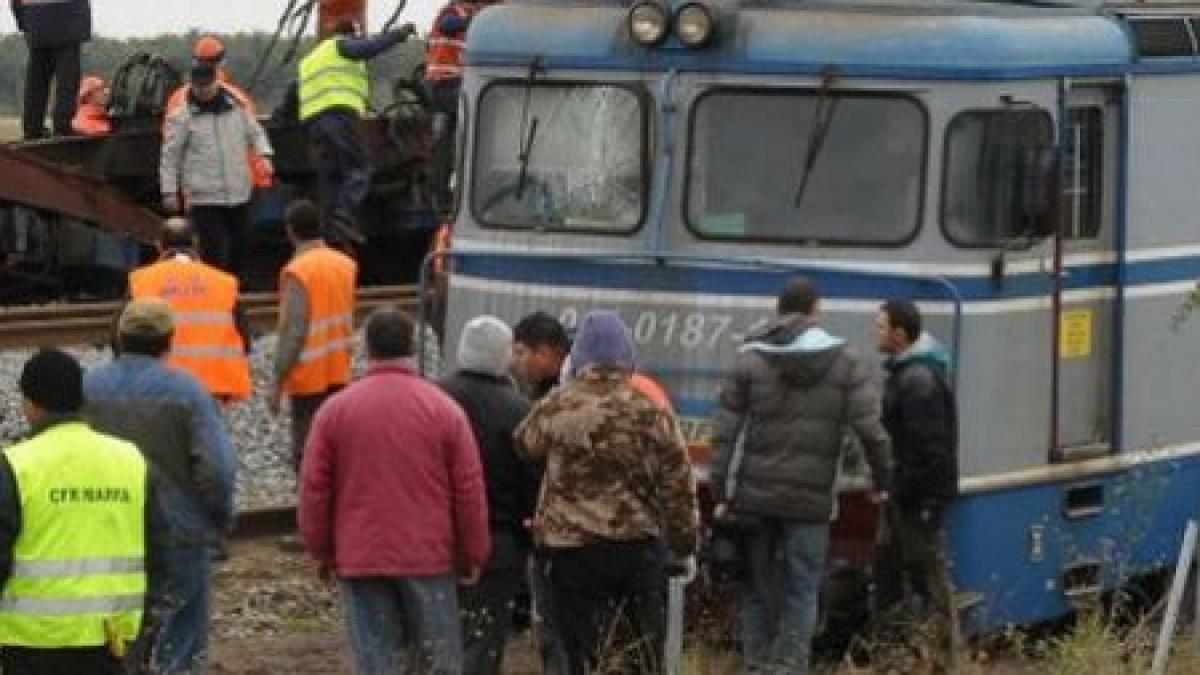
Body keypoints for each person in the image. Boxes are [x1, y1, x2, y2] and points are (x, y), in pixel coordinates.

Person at [709, 278, 892, 674]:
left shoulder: (750, 359)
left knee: (758, 588)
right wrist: (881, 480)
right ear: (815, 310)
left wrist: (721, 489)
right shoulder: (844, 361)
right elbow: (871, 431)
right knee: (802, 589)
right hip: (810, 502)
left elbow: (724, 432)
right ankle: (790, 667)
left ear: (779, 310)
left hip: (754, 497)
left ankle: (756, 666)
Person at [299, 309, 490, 675]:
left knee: (378, 662)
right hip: (429, 556)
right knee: (438, 662)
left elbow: (314, 489)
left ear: (367, 348)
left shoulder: (334, 411)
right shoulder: (444, 410)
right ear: (412, 347)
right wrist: (472, 550)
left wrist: (320, 549)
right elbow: (468, 489)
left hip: (360, 555)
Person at [516, 310, 699, 675]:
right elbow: (678, 483)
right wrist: (683, 545)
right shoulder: (651, 411)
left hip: (570, 554)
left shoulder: (555, 406)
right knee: (641, 654)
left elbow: (524, 445)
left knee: (578, 654)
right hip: (636, 550)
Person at [83, 298, 238, 674]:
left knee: (119, 634)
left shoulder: (86, 387)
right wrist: (220, 520)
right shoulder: (188, 392)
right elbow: (217, 470)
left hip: (107, 526)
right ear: (170, 338)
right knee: (179, 640)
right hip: (180, 529)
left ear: (119, 336)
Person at [0, 348, 164, 675]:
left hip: (34, 641)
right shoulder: (130, 459)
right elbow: (159, 552)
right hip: (113, 639)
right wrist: (145, 627)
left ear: (31, 404)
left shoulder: (16, 465)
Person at [437, 316, 539, 675]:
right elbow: (531, 482)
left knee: (437, 632)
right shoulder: (519, 410)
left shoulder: (433, 398)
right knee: (484, 635)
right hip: (500, 540)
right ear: (504, 355)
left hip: (435, 538)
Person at [874, 299, 959, 662]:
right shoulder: (907, 374)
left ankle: (943, 660)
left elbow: (931, 451)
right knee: (889, 568)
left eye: (880, 326)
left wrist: (914, 495)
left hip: (918, 498)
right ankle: (894, 653)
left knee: (928, 578)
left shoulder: (917, 381)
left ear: (900, 334)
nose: (874, 332)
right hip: (905, 494)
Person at [298, 18, 418, 244]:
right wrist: (398, 35)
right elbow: (367, 48)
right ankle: (344, 215)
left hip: (314, 125)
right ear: (351, 34)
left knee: (331, 179)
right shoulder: (341, 46)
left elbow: (294, 92)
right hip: (337, 117)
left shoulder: (310, 60)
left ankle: (329, 233)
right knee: (359, 168)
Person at [160, 60, 274, 277]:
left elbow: (256, 133)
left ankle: (234, 286)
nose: (203, 91)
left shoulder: (237, 109)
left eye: (207, 85)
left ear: (216, 82)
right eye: (198, 86)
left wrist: (264, 155)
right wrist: (169, 191)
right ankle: (216, 290)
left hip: (238, 192)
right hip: (204, 196)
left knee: (244, 242)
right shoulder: (181, 117)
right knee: (213, 250)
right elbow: (170, 156)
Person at [269, 199, 357, 471]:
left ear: (291, 230)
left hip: (309, 375)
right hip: (339, 367)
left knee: (308, 454)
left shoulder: (298, 271)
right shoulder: (345, 264)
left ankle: (311, 509)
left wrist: (277, 381)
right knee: (336, 450)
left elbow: (293, 331)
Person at [127, 218, 253, 404]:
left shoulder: (141, 281)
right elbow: (245, 340)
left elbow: (120, 338)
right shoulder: (224, 282)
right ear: (195, 242)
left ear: (159, 246)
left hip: (157, 387)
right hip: (211, 389)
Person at [164, 36, 273, 193]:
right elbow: (254, 135)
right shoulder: (237, 97)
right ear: (222, 62)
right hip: (243, 183)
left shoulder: (177, 99)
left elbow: (171, 147)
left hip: (201, 186)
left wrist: (171, 190)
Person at [426, 0, 482, 209]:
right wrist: (474, 17)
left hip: (454, 83)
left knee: (452, 138)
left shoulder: (469, 16)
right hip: (445, 82)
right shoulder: (451, 12)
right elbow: (448, 25)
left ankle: (445, 189)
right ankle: (444, 191)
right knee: (460, 136)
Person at [10, 0, 89, 139]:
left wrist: (25, 23)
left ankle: (32, 129)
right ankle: (62, 126)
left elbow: (15, 3)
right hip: (68, 21)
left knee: (37, 80)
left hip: (36, 23)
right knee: (67, 79)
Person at [513, 311, 571, 400]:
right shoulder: (544, 384)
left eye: (520, 353)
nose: (516, 360)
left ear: (544, 351)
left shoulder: (581, 382)